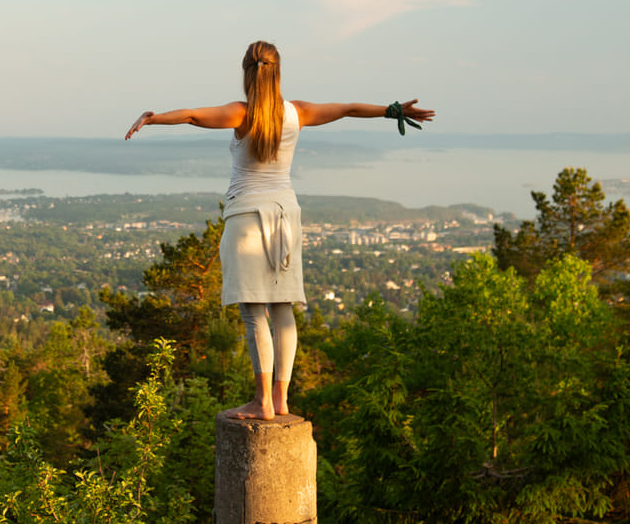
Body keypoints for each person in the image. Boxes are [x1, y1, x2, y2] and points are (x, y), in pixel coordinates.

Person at [125, 40, 435, 420]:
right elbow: (349, 109)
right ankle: (281, 398)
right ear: (278, 72)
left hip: (247, 218)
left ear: (246, 72)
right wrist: (392, 111)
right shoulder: (296, 112)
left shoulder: (240, 114)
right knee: (283, 308)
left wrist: (153, 118)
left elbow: (191, 116)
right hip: (286, 216)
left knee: (254, 311)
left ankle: (262, 402)